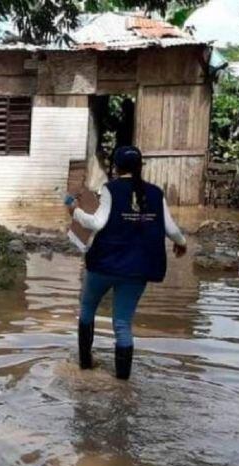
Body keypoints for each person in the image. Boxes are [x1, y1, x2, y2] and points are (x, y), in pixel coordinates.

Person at [65, 146, 187, 380]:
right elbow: (171, 229)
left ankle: (85, 366)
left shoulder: (110, 189)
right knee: (122, 324)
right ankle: (123, 383)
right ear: (140, 167)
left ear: (116, 167)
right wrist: (181, 243)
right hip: (138, 269)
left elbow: (96, 223)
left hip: (105, 264)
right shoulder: (155, 193)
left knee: (87, 310)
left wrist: (75, 211)